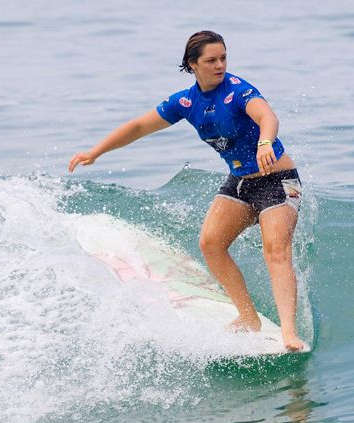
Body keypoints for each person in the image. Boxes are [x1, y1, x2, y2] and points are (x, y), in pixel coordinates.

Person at [68, 30, 305, 352]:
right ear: (193, 65)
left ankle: (289, 333)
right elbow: (139, 126)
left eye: (223, 58)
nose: (220, 65)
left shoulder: (238, 90)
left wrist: (265, 141)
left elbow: (266, 116)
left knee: (275, 252)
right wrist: (96, 152)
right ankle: (248, 318)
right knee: (211, 243)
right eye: (211, 60)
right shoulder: (186, 102)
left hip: (277, 180)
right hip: (241, 180)